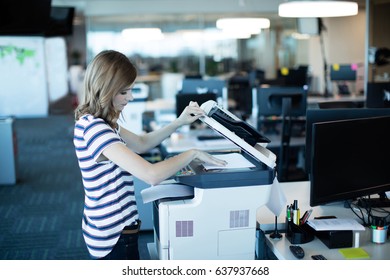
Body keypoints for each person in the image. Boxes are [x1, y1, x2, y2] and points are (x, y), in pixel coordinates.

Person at [73, 50, 226, 260]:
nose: (131, 97)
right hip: (113, 235)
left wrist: (179, 122)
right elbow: (151, 175)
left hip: (109, 228)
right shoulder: (96, 129)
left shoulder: (102, 123)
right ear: (105, 89)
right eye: (124, 92)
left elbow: (142, 143)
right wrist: (192, 153)